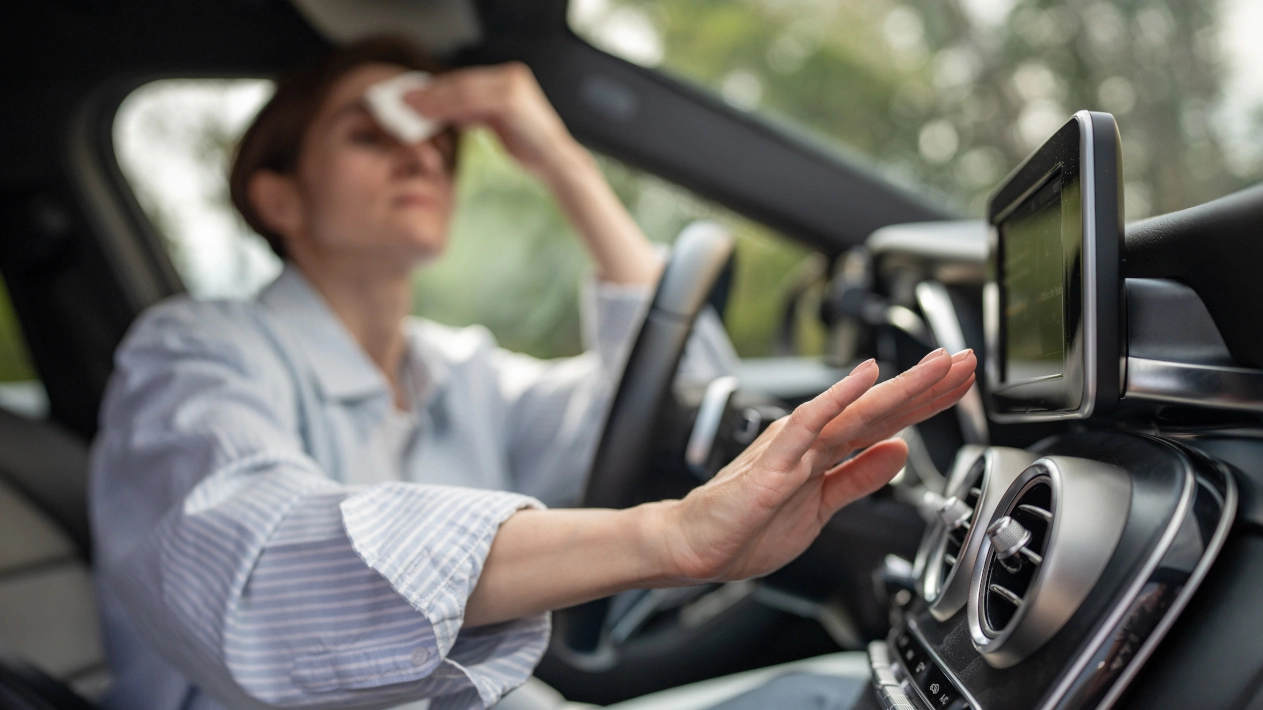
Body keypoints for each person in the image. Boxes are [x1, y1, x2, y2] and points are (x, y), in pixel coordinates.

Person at [89, 37, 977, 710]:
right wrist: (662, 539)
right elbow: (258, 575)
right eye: (371, 134)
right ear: (277, 195)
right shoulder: (191, 353)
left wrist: (558, 156)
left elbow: (681, 407)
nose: (421, 155)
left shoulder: (459, 370)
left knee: (843, 693)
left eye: (441, 145)